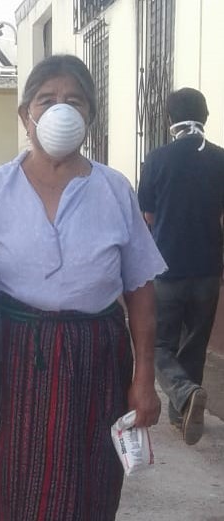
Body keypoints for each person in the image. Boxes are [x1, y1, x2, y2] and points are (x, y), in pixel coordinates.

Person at [0, 54, 166, 521]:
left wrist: (144, 378)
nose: (60, 110)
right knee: (15, 481)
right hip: (14, 360)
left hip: (97, 359)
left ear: (90, 116)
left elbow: (141, 291)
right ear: (25, 115)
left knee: (91, 484)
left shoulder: (114, 189)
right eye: (47, 100)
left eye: (74, 101)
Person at [138, 88, 224, 445]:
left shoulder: (157, 159)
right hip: (208, 270)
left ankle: (185, 394)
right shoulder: (220, 159)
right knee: (195, 344)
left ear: (169, 119)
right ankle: (181, 414)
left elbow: (147, 215)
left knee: (158, 345)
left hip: (167, 268)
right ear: (206, 116)